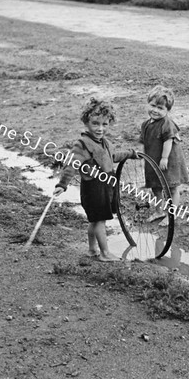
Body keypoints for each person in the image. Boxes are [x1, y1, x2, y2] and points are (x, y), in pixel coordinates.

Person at [54, 97, 138, 262]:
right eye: (95, 123)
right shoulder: (82, 144)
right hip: (93, 189)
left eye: (105, 124)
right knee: (99, 220)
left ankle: (92, 249)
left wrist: (130, 153)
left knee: (95, 220)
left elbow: (112, 157)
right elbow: (71, 165)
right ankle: (105, 253)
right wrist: (62, 185)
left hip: (106, 187)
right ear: (86, 122)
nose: (100, 128)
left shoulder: (104, 142)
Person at [140, 85, 189, 226]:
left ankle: (171, 214)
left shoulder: (167, 124)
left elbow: (168, 141)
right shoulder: (146, 124)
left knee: (172, 187)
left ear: (167, 110)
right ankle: (159, 211)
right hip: (153, 159)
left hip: (168, 160)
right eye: (153, 106)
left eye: (160, 108)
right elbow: (144, 141)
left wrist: (164, 158)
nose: (155, 110)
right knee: (155, 186)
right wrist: (144, 156)